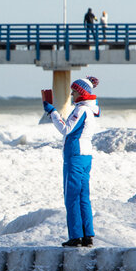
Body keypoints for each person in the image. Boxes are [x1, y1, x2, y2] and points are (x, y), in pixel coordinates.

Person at [42, 76, 101, 247]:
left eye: (74, 92)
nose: (72, 95)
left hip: (74, 157)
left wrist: (53, 112)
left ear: (81, 92)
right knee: (83, 196)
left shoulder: (81, 110)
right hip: (85, 156)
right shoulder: (90, 110)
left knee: (72, 197)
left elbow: (66, 129)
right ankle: (87, 235)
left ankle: (75, 236)